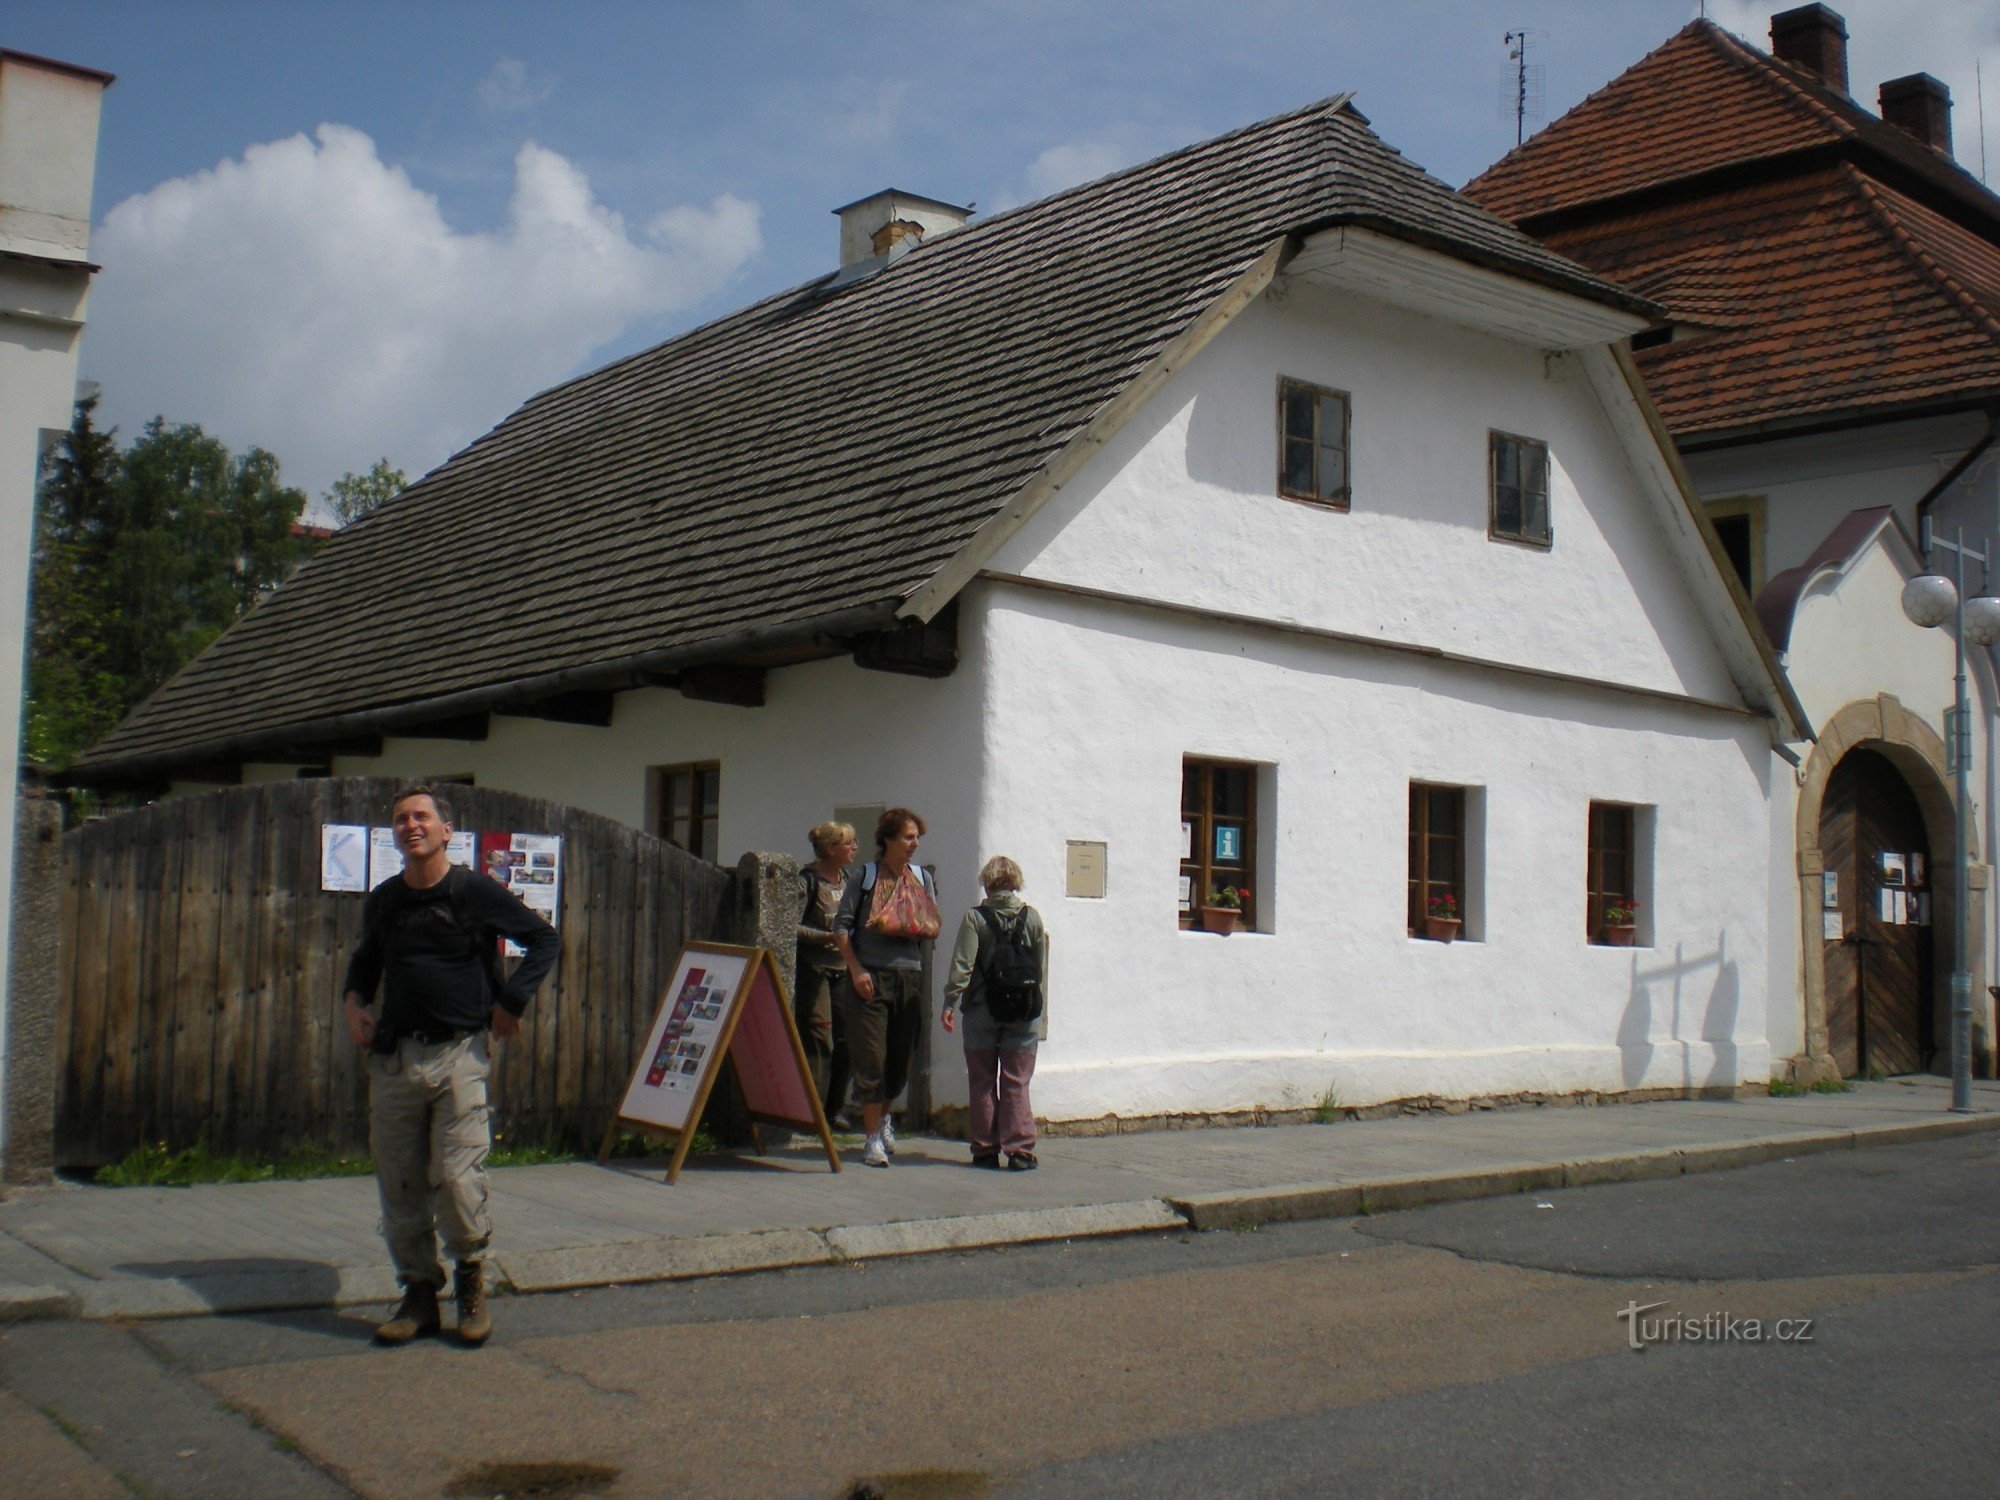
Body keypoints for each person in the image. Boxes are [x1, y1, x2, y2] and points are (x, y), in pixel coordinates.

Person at [341, 785, 560, 1346]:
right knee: (401, 1182)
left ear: (445, 832)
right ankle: (417, 1294)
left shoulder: (473, 892)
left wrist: (511, 1002)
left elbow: (543, 940)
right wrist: (353, 1001)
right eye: (401, 819)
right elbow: (367, 958)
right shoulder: (386, 899)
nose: (411, 826)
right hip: (395, 1060)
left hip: (460, 1055)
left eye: (421, 817)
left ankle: (469, 1284)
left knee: (459, 1181)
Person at [834, 807, 940, 1168]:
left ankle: (884, 1119)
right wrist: (856, 969)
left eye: (917, 838)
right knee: (871, 1057)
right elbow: (842, 928)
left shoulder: (921, 879)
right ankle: (871, 1138)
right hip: (871, 976)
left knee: (899, 1059)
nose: (914, 844)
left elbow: (929, 922)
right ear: (888, 839)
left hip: (910, 976)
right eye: (908, 837)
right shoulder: (865, 877)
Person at [942, 856, 1049, 1170]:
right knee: (1017, 1079)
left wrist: (950, 1002)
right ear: (1015, 883)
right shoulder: (1032, 917)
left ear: (987, 884)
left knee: (982, 1080)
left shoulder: (975, 918)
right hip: (1022, 1010)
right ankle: (1020, 1150)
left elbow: (963, 964)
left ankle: (985, 1149)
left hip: (981, 1009)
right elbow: (1039, 966)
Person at [795, 821, 859, 1121]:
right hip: (815, 968)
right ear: (831, 849)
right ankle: (811, 1112)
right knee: (818, 1039)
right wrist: (827, 937)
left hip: (844, 969)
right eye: (849, 843)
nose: (855, 848)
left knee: (848, 1040)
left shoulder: (849, 880)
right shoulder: (806, 881)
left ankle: (834, 1109)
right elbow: (789, 927)